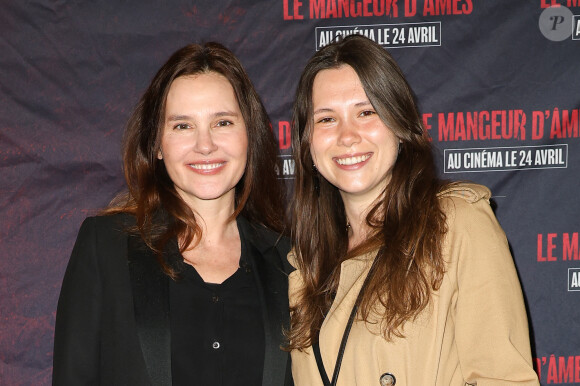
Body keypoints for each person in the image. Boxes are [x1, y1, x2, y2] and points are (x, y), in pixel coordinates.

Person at [286, 35, 539, 385]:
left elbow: (505, 379)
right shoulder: (305, 264)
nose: (347, 135)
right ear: (307, 142)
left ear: (399, 125)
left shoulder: (456, 224)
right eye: (327, 119)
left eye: (366, 112)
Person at [53, 42, 293, 386]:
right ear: (157, 145)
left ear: (250, 136)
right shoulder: (104, 248)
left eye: (222, 122)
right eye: (183, 126)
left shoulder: (291, 262)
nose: (205, 144)